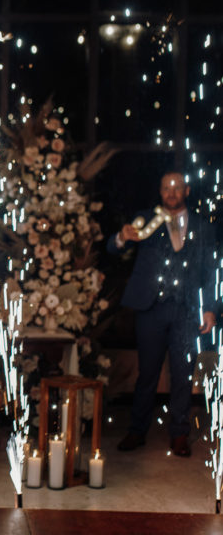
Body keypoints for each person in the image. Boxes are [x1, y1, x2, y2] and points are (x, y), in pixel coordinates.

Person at [107, 171, 216, 457]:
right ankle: (137, 430)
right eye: (166, 187)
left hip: (187, 310)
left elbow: (211, 270)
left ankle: (179, 434)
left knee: (183, 374)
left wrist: (210, 309)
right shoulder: (146, 219)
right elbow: (113, 247)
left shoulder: (202, 226)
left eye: (177, 187)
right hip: (151, 308)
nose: (171, 192)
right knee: (147, 374)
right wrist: (121, 236)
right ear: (160, 190)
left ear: (187, 191)